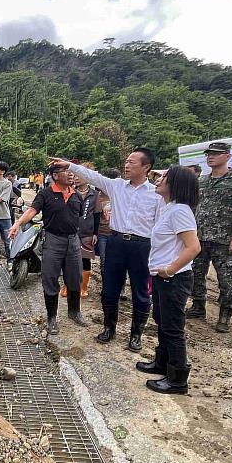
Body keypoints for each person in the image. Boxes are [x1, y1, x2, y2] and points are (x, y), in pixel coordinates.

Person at [50, 148, 162, 351]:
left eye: (132, 162)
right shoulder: (117, 186)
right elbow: (92, 176)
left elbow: (162, 226)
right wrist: (69, 165)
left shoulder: (156, 194)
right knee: (109, 289)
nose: (127, 165)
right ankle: (109, 327)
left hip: (142, 246)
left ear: (146, 167)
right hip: (116, 243)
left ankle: (136, 334)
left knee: (140, 292)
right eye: (126, 161)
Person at [136, 165, 201, 394]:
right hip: (163, 278)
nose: (158, 179)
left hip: (174, 279)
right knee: (162, 321)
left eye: (164, 177)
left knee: (173, 328)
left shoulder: (181, 211)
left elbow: (193, 247)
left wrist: (170, 270)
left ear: (176, 185)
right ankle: (162, 363)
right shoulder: (169, 207)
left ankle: (177, 380)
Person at [186, 142, 232, 332]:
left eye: (216, 154)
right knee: (195, 275)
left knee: (227, 280)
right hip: (199, 238)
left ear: (227, 156)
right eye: (209, 154)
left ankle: (225, 315)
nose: (211, 157)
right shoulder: (201, 181)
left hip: (225, 240)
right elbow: (193, 207)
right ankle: (198, 306)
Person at [9, 164, 87, 334]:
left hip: (73, 242)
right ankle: (51, 318)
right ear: (55, 176)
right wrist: (17, 224)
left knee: (75, 278)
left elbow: (79, 217)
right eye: (66, 172)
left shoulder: (76, 196)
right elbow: (32, 211)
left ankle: (74, 312)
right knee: (50, 278)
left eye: (71, 172)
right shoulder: (45, 194)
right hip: (53, 240)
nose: (71, 175)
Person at [62, 163, 98, 299]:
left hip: (87, 233)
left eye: (80, 176)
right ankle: (66, 286)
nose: (76, 178)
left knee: (85, 260)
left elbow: (97, 215)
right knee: (67, 260)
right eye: (75, 175)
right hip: (70, 231)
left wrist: (95, 233)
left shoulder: (94, 195)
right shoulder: (68, 191)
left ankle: (83, 287)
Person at [94, 168, 120, 277]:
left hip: (118, 234)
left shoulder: (120, 194)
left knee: (119, 261)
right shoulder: (97, 196)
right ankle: (106, 287)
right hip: (103, 233)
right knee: (104, 261)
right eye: (118, 179)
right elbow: (95, 216)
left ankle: (120, 289)